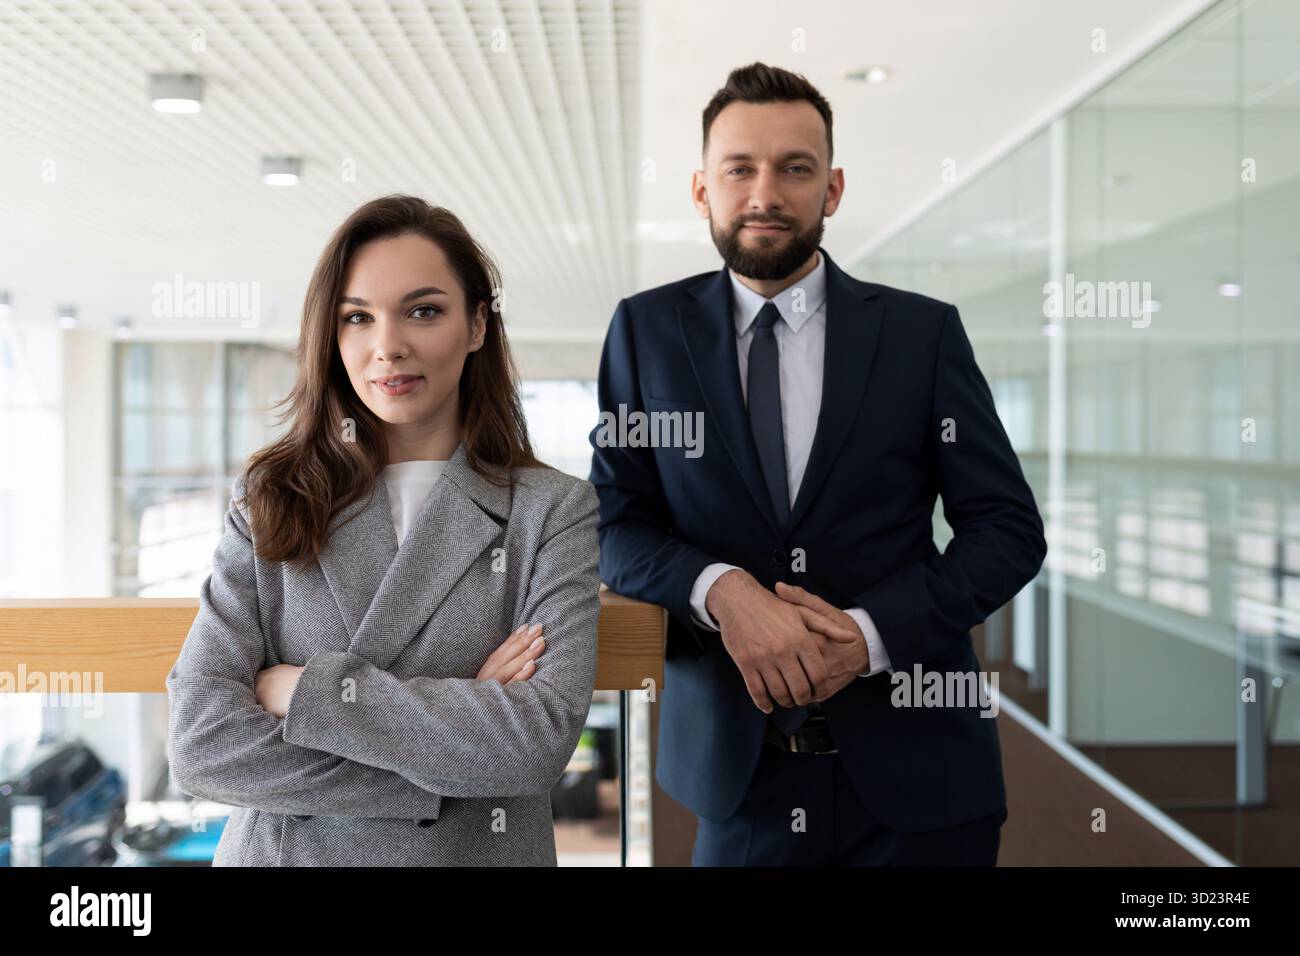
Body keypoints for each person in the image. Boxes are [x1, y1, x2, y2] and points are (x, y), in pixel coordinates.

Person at [589, 63, 1048, 866]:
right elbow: (615, 525)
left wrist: (868, 637)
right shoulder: (645, 333)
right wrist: (722, 590)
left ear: (831, 189)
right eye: (740, 168)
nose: (765, 192)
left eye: (794, 168)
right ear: (702, 189)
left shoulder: (921, 335)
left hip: (924, 780)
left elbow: (1006, 530)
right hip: (738, 785)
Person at [166, 195, 601, 866]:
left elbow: (534, 746)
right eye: (357, 318)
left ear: (478, 324)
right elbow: (202, 744)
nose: (388, 345)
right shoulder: (269, 497)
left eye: (423, 311)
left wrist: (306, 694)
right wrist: (455, 749)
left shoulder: (551, 510)